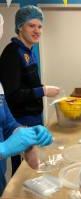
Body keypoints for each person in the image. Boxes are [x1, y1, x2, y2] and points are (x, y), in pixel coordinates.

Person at [0, 5, 60, 175]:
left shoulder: (28, 51)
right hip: (19, 121)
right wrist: (43, 91)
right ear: (20, 26)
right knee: (22, 172)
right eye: (31, 25)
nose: (37, 30)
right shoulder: (12, 53)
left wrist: (41, 89)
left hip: (33, 117)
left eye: (39, 26)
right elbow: (13, 95)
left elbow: (26, 85)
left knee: (36, 168)